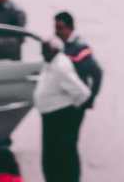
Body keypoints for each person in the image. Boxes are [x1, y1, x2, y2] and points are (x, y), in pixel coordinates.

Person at [36, 39, 91, 182]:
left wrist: (73, 115)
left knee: (62, 156)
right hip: (51, 117)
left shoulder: (60, 66)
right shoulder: (51, 63)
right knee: (51, 158)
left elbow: (82, 93)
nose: (42, 53)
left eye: (44, 50)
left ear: (53, 51)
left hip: (59, 118)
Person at [53, 11, 102, 111]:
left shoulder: (80, 49)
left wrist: (91, 98)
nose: (56, 32)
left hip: (74, 103)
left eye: (60, 28)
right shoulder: (60, 45)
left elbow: (97, 73)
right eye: (55, 28)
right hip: (61, 101)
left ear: (70, 28)